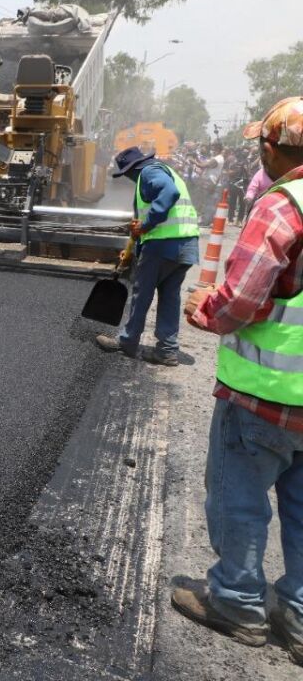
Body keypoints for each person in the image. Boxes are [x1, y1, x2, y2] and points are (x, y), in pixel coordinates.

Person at [176, 97, 303, 665]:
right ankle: (298, 615)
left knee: (241, 499)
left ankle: (238, 601)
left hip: (265, 396)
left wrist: (207, 308)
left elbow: (244, 299)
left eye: (262, 145)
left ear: (274, 149)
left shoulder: (281, 208)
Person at [95, 146, 200, 365]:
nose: (129, 180)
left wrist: (147, 223)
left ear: (133, 169)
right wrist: (134, 248)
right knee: (170, 297)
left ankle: (127, 341)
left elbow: (169, 193)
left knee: (141, 293)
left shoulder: (149, 172)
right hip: (186, 244)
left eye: (126, 175)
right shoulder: (166, 170)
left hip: (163, 245)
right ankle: (167, 350)